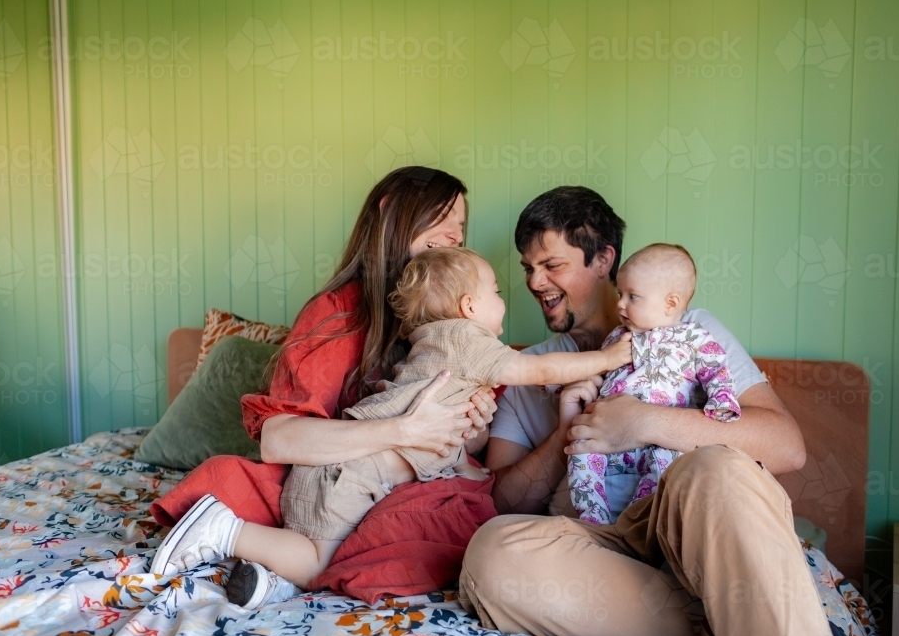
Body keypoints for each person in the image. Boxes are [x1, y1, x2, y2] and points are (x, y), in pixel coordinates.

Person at [459, 186, 837, 636]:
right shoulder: (531, 369)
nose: (535, 282)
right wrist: (566, 434)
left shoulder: (691, 332)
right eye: (527, 269)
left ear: (603, 260)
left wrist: (643, 422)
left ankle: (747, 614)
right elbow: (501, 503)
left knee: (715, 468)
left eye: (551, 265)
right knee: (492, 552)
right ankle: (733, 619)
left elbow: (786, 446)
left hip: (688, 529)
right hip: (601, 548)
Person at [177, 247, 633, 608]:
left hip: (335, 471)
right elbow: (539, 369)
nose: (503, 301)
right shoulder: (468, 339)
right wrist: (611, 358)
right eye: (496, 291)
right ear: (469, 305)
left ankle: (272, 583)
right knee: (320, 558)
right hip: (349, 476)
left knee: (331, 554)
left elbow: (453, 451)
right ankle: (224, 531)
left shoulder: (428, 345)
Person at [149, 166, 500, 606]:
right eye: (442, 217)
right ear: (391, 213)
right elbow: (277, 440)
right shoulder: (337, 314)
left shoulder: (457, 326)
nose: (454, 235)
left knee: (468, 517)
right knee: (235, 484)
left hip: (397, 486)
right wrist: (402, 430)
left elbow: (462, 445)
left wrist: (473, 423)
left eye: (461, 227)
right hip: (322, 486)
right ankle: (304, 561)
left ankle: (286, 574)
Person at [566, 243, 741, 525]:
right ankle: (593, 517)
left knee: (671, 461)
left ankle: (638, 520)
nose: (620, 303)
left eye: (632, 296)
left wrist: (721, 400)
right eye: (620, 294)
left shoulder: (693, 337)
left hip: (656, 440)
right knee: (580, 450)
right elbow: (595, 369)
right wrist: (559, 383)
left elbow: (715, 368)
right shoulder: (617, 338)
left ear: (670, 303)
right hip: (607, 438)